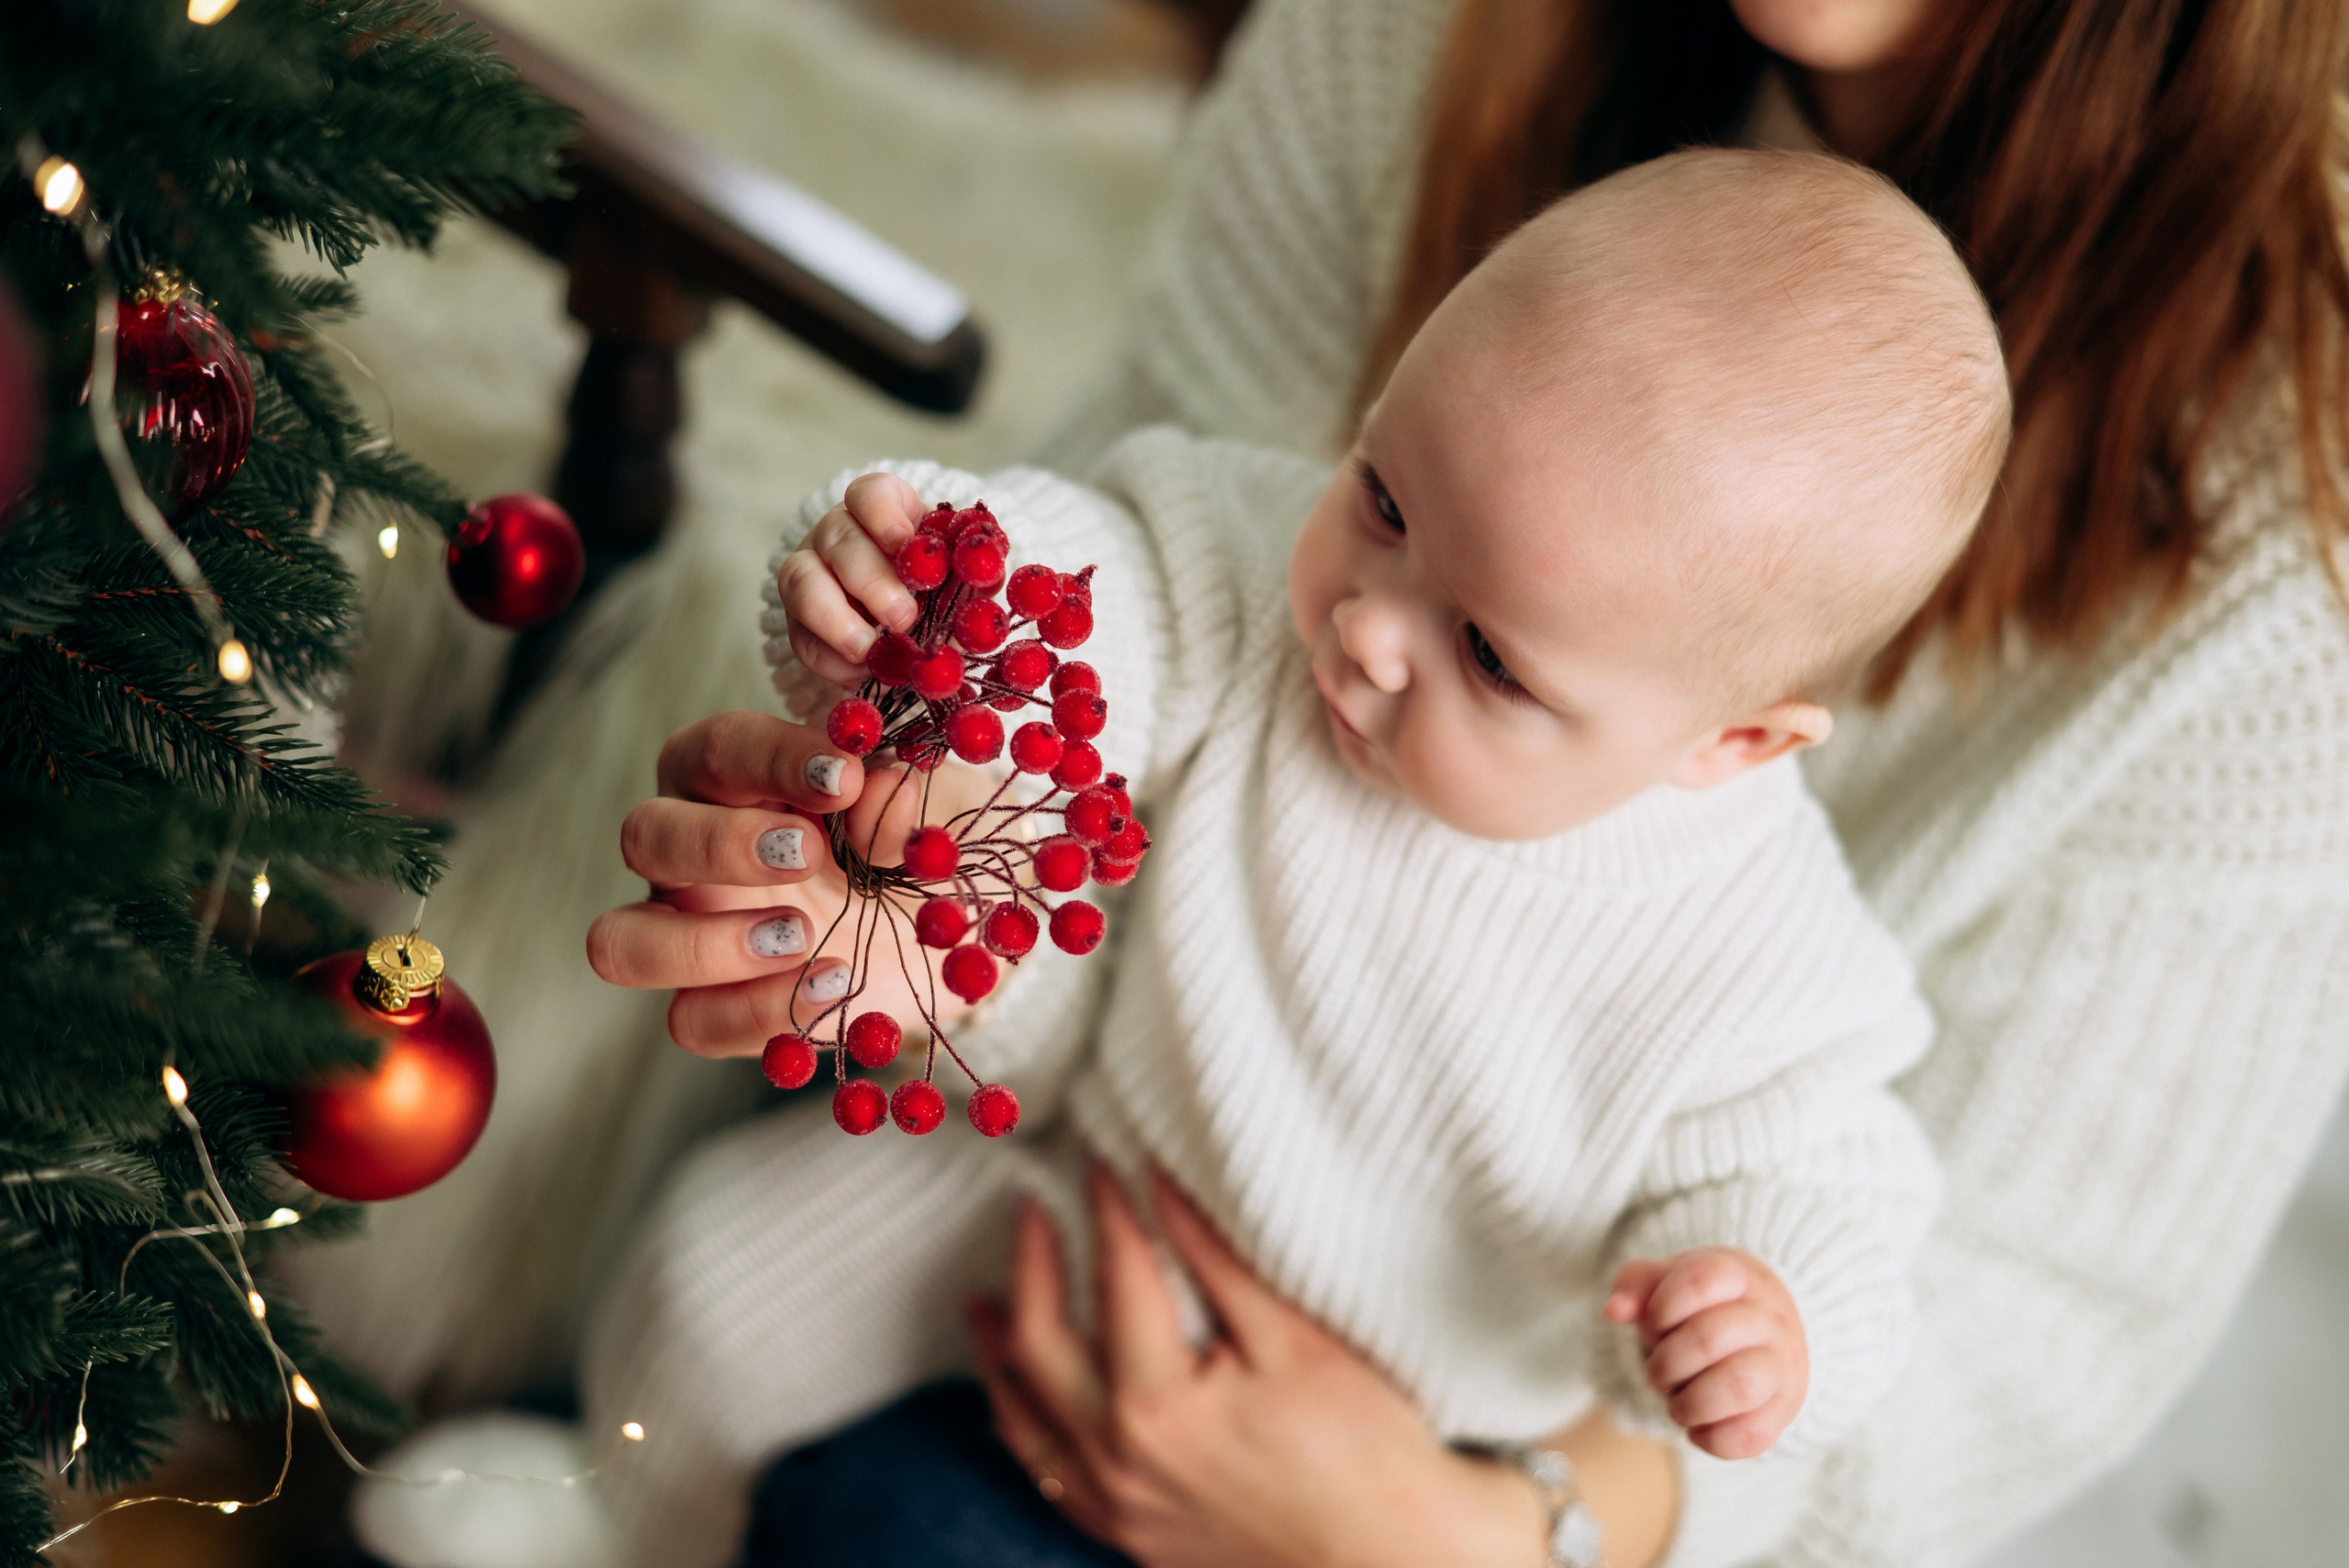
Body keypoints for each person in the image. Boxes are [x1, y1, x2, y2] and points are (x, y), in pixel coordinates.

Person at [580, 0, 2349, 1564]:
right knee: (711, 1286)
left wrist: (1759, 1322)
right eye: (1383, 493)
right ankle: (611, 1515)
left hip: (1434, 1426)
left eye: (1493, 656)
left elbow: (1856, 1200)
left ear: (1730, 744)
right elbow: (1097, 582)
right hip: (1075, 1170)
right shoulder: (1290, 545)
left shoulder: (1758, 948)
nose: (1362, 629)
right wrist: (914, 622)